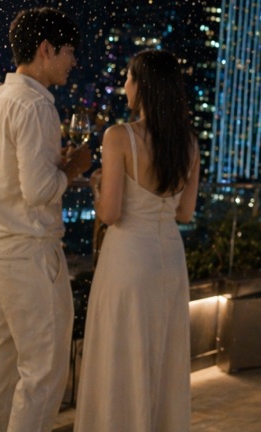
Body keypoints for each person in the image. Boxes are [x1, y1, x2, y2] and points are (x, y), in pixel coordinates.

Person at [0, 7, 91, 432]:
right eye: (69, 52)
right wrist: (74, 167)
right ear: (45, 50)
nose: (73, 61)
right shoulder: (37, 106)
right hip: (28, 257)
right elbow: (38, 192)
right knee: (42, 374)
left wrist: (50, 166)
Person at [74, 49, 199, 432]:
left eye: (129, 78)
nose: (124, 85)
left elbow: (110, 214)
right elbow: (184, 213)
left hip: (128, 258)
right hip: (169, 260)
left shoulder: (119, 137)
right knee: (162, 354)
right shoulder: (189, 143)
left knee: (119, 352)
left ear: (142, 86)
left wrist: (96, 188)